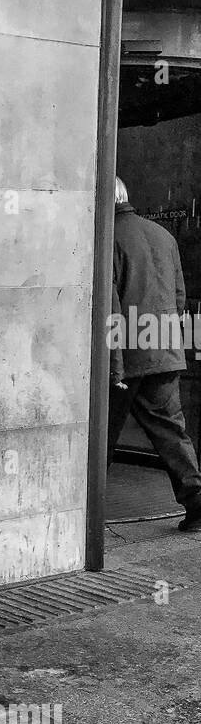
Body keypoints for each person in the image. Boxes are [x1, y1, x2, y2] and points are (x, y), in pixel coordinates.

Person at [109, 177, 201, 532]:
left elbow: (110, 307)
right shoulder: (164, 236)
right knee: (171, 432)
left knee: (101, 437)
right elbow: (178, 298)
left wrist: (114, 366)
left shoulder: (107, 239)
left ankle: (84, 513)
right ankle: (197, 500)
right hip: (163, 350)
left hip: (127, 356)